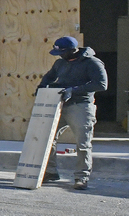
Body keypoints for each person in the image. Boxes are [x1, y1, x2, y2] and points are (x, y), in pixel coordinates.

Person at [37, 35, 107, 190]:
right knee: (49, 138)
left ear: (72, 50)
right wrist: (42, 86)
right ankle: (50, 172)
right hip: (60, 104)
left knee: (82, 143)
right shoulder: (60, 63)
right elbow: (50, 76)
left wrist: (74, 90)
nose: (60, 56)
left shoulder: (92, 63)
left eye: (62, 53)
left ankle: (81, 177)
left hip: (80, 105)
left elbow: (102, 84)